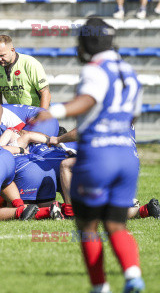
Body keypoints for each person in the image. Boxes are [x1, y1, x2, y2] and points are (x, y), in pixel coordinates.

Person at [35, 18, 145, 293]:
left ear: (89, 42)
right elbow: (133, 115)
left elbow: (90, 99)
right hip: (127, 157)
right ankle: (133, 275)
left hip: (100, 157)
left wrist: (56, 111)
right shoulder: (130, 71)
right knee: (116, 223)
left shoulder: (95, 69)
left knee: (88, 225)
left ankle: (101, 287)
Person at [0, 35, 51, 109]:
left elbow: (45, 93)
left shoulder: (30, 63)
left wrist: (41, 116)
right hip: (16, 115)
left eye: (2, 55)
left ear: (12, 50)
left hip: (35, 112)